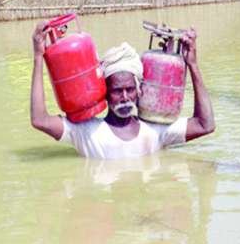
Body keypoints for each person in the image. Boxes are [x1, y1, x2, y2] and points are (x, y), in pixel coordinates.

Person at [30, 21, 215, 159]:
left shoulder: (155, 130)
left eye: (130, 89)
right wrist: (39, 56)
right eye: (117, 90)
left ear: (139, 91)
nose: (125, 97)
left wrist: (192, 64)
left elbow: (205, 125)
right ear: (105, 93)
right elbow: (40, 120)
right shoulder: (87, 132)